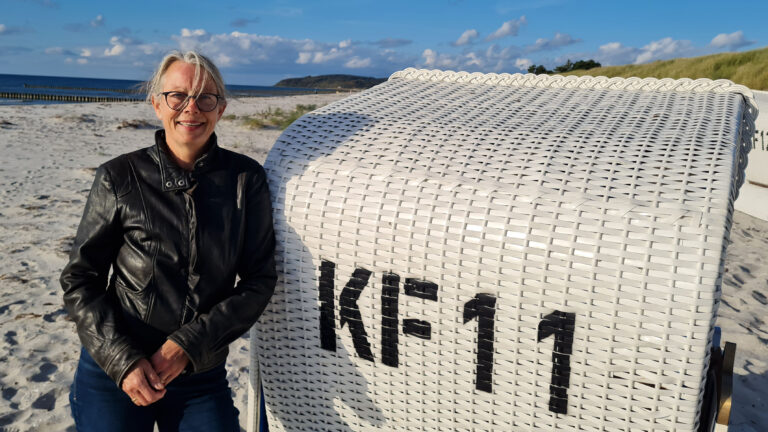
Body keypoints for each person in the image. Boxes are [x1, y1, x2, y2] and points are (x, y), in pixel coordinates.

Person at [60, 51, 276, 431]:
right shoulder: (119, 177)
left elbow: (259, 280)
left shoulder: (246, 180)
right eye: (178, 95)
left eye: (205, 97)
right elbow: (81, 280)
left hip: (199, 373)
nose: (191, 108)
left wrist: (189, 345)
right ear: (157, 104)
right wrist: (122, 359)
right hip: (114, 369)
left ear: (221, 109)